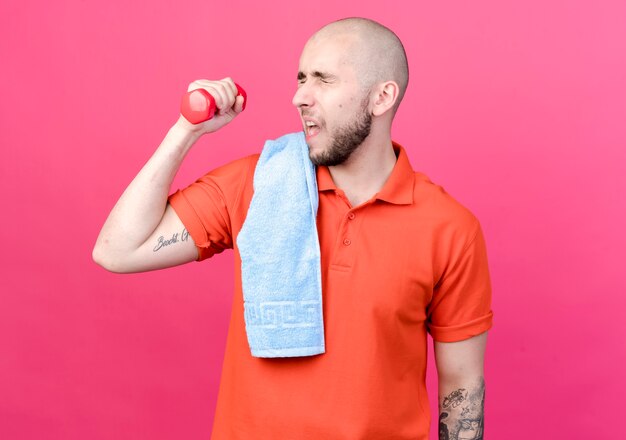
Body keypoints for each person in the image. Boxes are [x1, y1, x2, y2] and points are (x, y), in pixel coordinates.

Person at [93, 17, 493, 440]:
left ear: (382, 97)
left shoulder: (450, 228)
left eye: (323, 79)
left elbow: (462, 386)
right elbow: (117, 251)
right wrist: (186, 131)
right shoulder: (255, 186)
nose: (300, 97)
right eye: (301, 78)